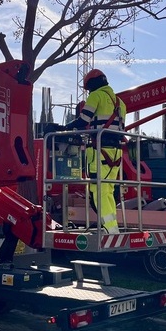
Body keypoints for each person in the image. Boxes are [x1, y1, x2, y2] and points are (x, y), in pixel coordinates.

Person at [64, 69, 127, 234]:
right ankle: (112, 227)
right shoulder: (120, 102)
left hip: (100, 151)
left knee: (98, 190)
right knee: (108, 190)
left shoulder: (96, 96)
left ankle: (109, 229)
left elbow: (83, 120)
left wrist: (64, 128)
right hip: (116, 152)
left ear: (91, 84)